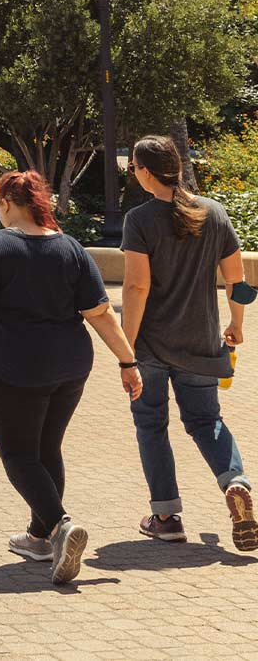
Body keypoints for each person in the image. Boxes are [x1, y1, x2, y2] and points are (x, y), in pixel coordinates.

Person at [0, 171, 143, 584]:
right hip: (71, 368)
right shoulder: (71, 248)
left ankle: (60, 526)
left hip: (17, 369)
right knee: (47, 449)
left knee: (16, 454)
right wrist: (128, 362)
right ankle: (38, 537)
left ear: (10, 204)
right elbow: (100, 312)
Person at [121, 134, 254, 552]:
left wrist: (126, 347)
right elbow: (239, 280)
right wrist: (237, 324)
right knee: (205, 422)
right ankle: (234, 481)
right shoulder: (214, 213)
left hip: (152, 348)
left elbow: (137, 287)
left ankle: (166, 517)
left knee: (151, 426)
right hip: (202, 343)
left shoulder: (140, 220)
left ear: (145, 172)